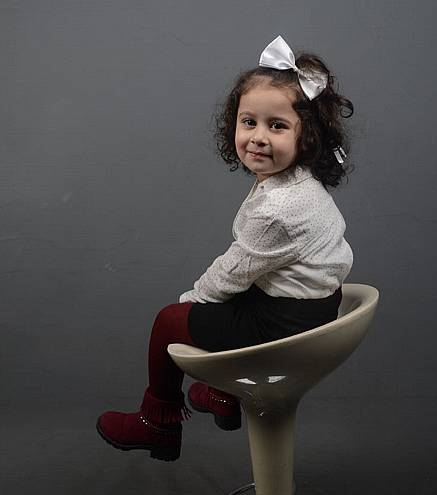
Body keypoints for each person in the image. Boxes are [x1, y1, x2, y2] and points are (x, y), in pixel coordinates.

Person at [96, 35, 354, 462]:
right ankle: (223, 395)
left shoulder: (278, 209)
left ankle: (158, 423)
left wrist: (190, 303)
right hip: (317, 306)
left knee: (169, 321)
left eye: (277, 126)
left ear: (306, 136)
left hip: (285, 329)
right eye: (248, 122)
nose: (258, 137)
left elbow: (234, 271)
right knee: (239, 298)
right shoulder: (300, 182)